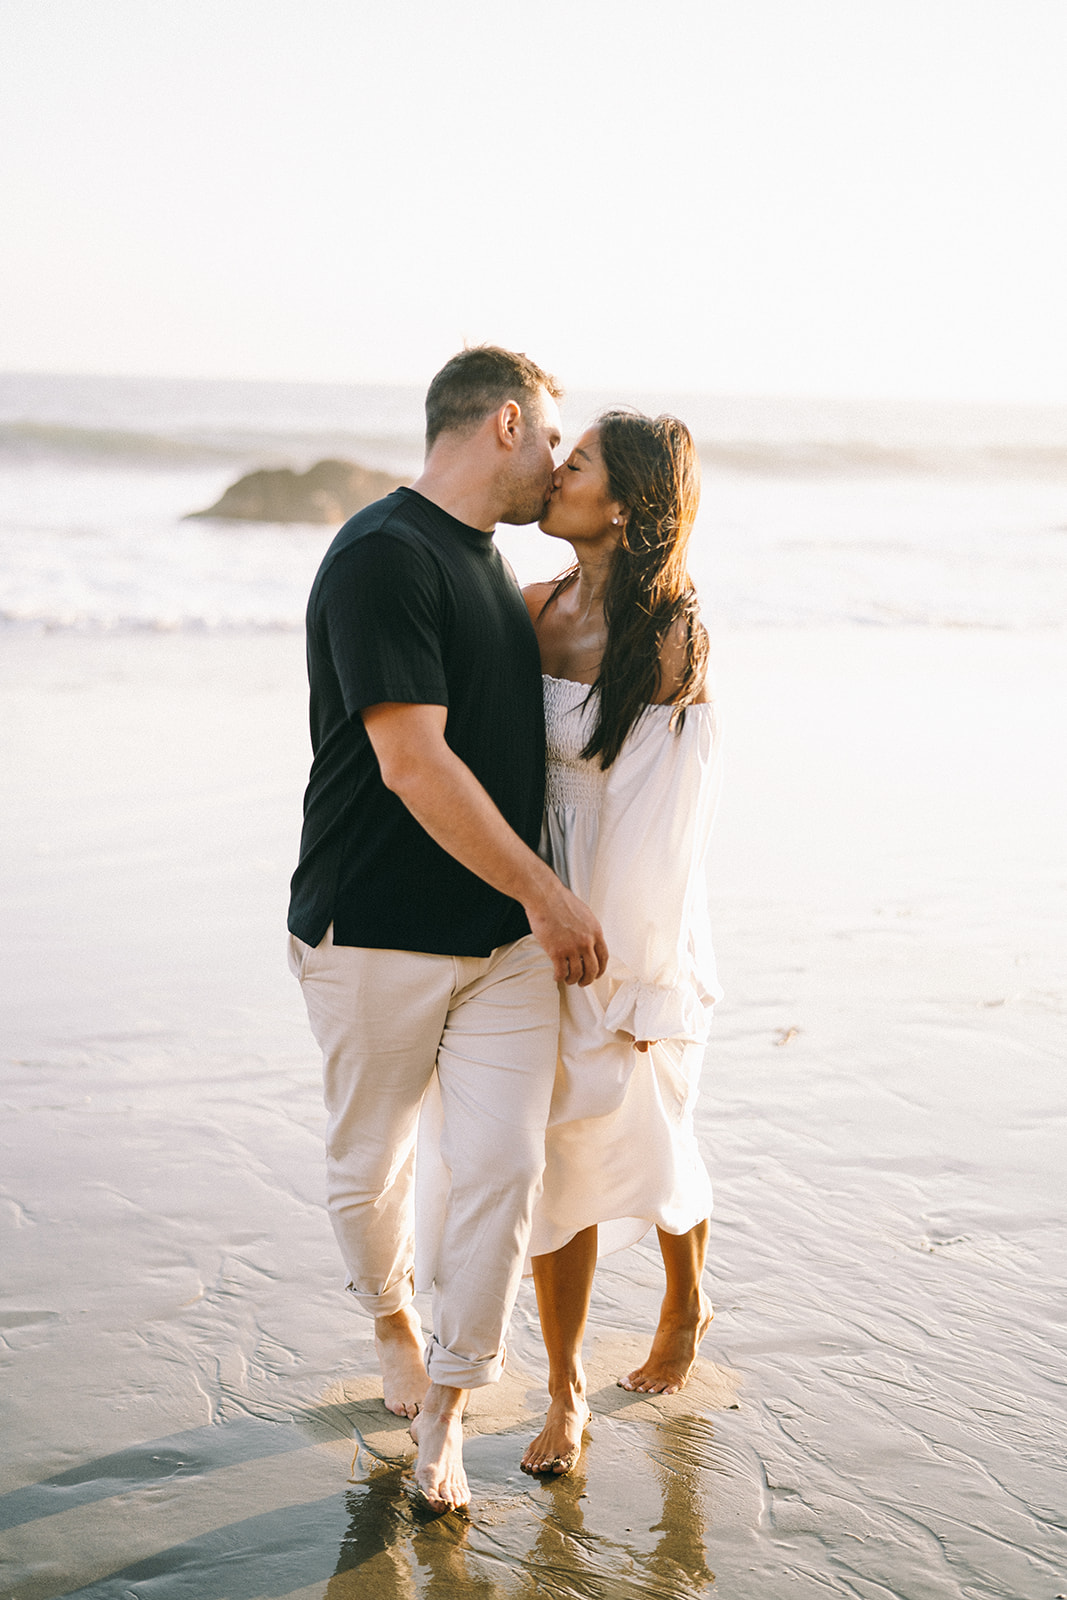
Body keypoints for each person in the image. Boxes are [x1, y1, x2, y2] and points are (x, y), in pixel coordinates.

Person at [286, 346, 608, 1514]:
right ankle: (391, 1323)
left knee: (506, 1168)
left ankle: (449, 1411)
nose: (563, 462)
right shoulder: (383, 554)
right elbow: (411, 762)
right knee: (369, 1160)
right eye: (556, 438)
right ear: (505, 424)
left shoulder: (491, 570)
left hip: (503, 948)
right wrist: (547, 890)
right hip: (370, 927)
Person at [518, 410, 722, 1477]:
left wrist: (636, 980)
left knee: (649, 1129)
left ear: (625, 506)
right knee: (557, 1150)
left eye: (579, 462)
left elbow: (662, 827)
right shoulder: (530, 606)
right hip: (537, 908)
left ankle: (685, 1297)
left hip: (629, 918)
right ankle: (564, 1389)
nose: (557, 472)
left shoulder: (670, 636)